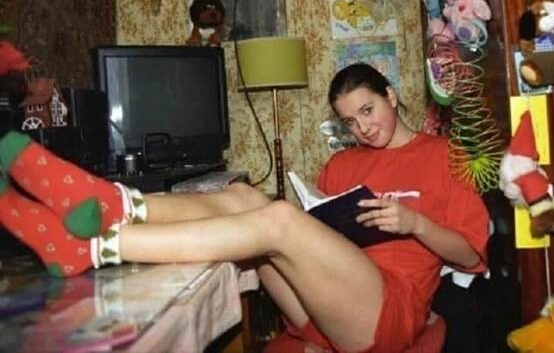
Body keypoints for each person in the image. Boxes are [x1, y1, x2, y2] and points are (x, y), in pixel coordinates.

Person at [0, 63, 489, 353]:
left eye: (368, 110)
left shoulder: (445, 156)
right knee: (242, 196)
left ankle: (95, 245)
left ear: (392, 96)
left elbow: (469, 257)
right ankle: (116, 203)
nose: (362, 128)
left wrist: (415, 222)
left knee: (278, 220)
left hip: (384, 316)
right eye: (349, 121)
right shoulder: (342, 164)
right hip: (320, 312)